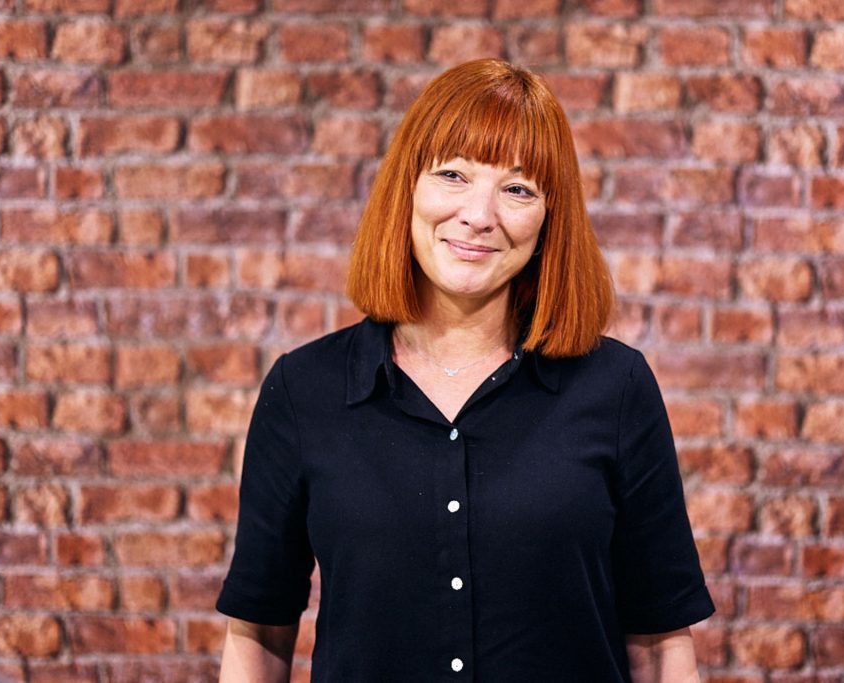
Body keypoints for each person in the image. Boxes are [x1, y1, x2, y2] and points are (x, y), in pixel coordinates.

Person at [216, 58, 714, 682]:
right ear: (409, 189)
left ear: (548, 217)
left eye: (518, 189)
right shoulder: (302, 392)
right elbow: (258, 632)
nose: (480, 215)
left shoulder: (616, 389)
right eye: (453, 174)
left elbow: (662, 641)